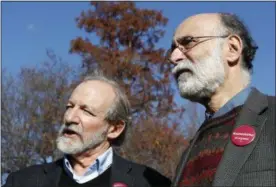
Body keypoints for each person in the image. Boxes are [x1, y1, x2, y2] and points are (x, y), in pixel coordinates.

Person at [3, 71, 171, 187]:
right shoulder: (22, 181)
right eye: (69, 107)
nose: (69, 118)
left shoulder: (150, 183)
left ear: (114, 129)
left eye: (86, 111)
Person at [167, 12, 275, 187]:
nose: (174, 58)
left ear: (232, 48)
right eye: (173, 49)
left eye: (188, 43)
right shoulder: (191, 148)